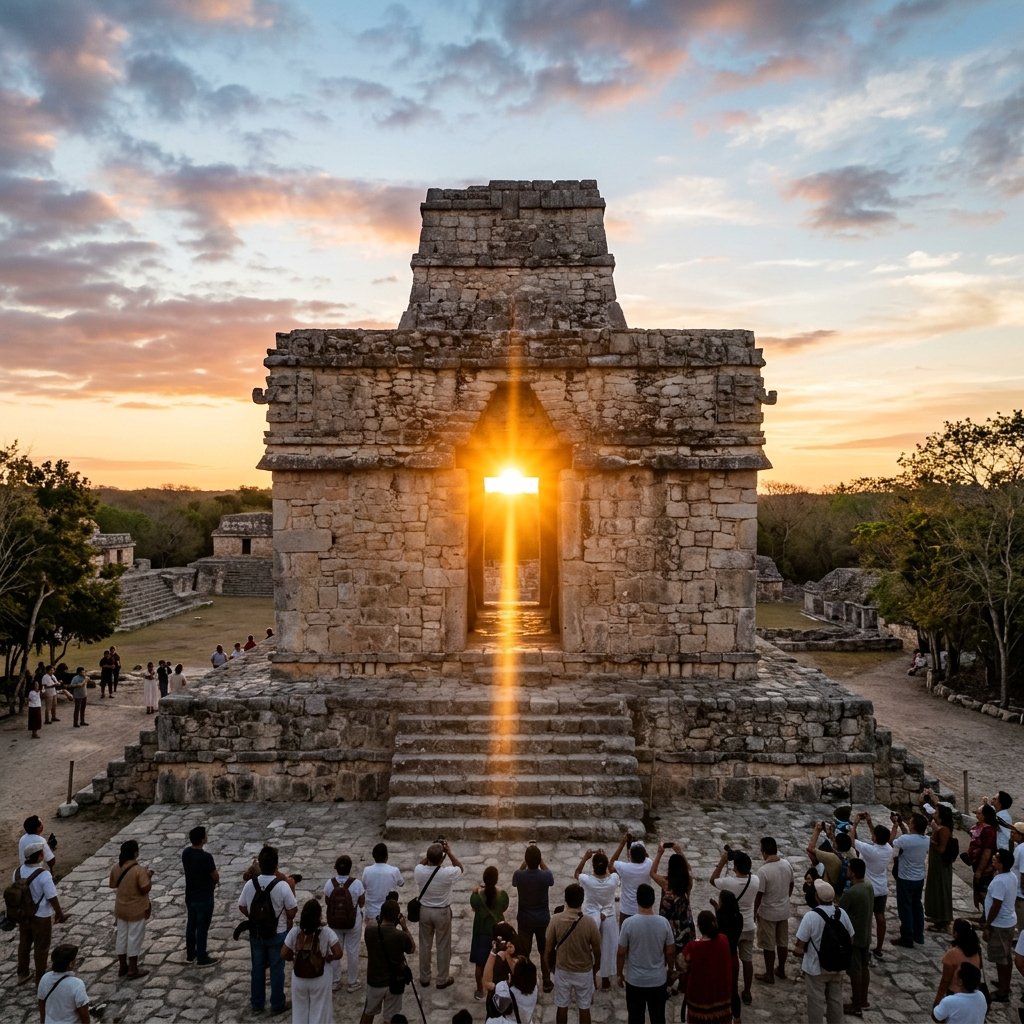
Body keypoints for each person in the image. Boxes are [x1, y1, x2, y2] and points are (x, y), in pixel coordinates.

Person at [238, 845, 298, 1014]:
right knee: (277, 969)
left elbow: (241, 905)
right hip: (277, 933)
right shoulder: (282, 886)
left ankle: (257, 1003)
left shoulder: (250, 884)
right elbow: (292, 910)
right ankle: (277, 1004)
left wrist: (254, 917)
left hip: (256, 933)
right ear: (276, 865)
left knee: (257, 968)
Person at [794, 879, 854, 1024]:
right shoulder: (842, 913)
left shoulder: (811, 916)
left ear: (817, 897)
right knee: (835, 1000)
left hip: (816, 967)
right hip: (837, 965)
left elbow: (799, 946)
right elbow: (850, 939)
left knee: (816, 1003)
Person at [616, 883, 674, 1024]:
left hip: (635, 980)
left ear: (637, 900)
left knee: (635, 1018)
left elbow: (621, 952)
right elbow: (670, 951)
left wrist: (619, 973)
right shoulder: (663, 923)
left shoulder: (628, 924)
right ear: (653, 900)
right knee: (658, 1017)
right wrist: (670, 971)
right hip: (658, 979)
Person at [545, 883, 601, 1024]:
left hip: (563, 969)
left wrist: (549, 967)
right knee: (584, 1007)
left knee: (562, 1006)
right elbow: (597, 949)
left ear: (566, 899)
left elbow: (548, 948)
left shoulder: (556, 919)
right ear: (582, 901)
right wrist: (596, 967)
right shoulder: (589, 923)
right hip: (583, 970)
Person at [710, 846, 759, 1006]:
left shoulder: (728, 882)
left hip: (731, 926)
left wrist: (723, 861)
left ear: (735, 867)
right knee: (747, 959)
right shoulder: (755, 880)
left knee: (729, 958)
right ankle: (747, 991)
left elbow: (713, 879)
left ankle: (728, 987)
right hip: (748, 925)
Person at [413, 838, 463, 988]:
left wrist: (432, 855)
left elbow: (421, 864)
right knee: (443, 946)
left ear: (428, 857)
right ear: (441, 858)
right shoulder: (447, 873)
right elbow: (460, 867)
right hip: (441, 912)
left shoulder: (419, 870)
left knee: (425, 945)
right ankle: (441, 979)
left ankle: (424, 977)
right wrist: (449, 852)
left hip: (425, 911)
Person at [15, 838, 66, 985]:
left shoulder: (17, 872)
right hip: (41, 915)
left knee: (24, 943)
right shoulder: (43, 875)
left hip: (24, 915)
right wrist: (59, 913)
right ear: (39, 856)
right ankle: (40, 978)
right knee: (41, 946)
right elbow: (52, 897)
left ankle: (22, 973)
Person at [283, 899, 342, 1024]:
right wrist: (329, 958)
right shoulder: (326, 932)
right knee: (320, 1012)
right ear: (319, 916)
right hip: (320, 977)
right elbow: (338, 953)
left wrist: (293, 958)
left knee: (299, 1012)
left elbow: (283, 953)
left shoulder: (295, 931)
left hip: (299, 977)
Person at [360, 898, 415, 1024]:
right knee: (390, 1019)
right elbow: (412, 949)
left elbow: (376, 927)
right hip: (394, 982)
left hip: (375, 980)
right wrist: (405, 928)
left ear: (382, 914)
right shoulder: (400, 936)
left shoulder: (369, 931)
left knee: (368, 1013)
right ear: (397, 917)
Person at [575, 846, 619, 991]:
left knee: (590, 948)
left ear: (593, 866)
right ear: (605, 866)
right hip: (609, 916)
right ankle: (605, 979)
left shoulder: (588, 880)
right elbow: (612, 871)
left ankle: (592, 977)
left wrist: (586, 857)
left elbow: (577, 872)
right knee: (607, 947)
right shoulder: (613, 880)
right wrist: (605, 859)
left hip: (591, 916)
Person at [513, 843, 555, 992]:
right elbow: (550, 877)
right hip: (542, 919)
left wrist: (526, 860)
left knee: (524, 952)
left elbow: (515, 877)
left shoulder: (519, 875)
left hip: (525, 919)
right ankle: (547, 979)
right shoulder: (545, 876)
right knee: (544, 950)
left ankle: (527, 980)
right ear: (539, 861)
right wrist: (540, 860)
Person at [678, 909, 733, 1024]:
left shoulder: (692, 948)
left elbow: (682, 965)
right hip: (721, 997)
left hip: (700, 999)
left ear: (699, 927)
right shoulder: (724, 940)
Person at [850, 812, 893, 957]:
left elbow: (851, 841)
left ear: (875, 837)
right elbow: (878, 837)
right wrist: (869, 822)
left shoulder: (870, 851)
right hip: (882, 888)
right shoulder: (888, 849)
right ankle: (879, 947)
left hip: (868, 889)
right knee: (880, 918)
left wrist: (855, 823)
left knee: (865, 919)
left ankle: (863, 945)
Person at [109, 839, 153, 980]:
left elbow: (113, 885)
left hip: (121, 908)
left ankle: (122, 966)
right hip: (136, 909)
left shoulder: (116, 868)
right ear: (135, 853)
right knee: (134, 937)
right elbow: (145, 888)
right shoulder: (138, 870)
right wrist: (148, 876)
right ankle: (133, 969)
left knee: (121, 936)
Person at [752, 835, 793, 985]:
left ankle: (769, 973)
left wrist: (754, 912)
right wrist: (785, 898)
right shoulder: (787, 864)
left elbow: (759, 895)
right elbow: (791, 884)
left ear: (763, 852)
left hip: (768, 912)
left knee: (768, 944)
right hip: (783, 910)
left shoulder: (763, 871)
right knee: (782, 942)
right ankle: (781, 969)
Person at [323, 854, 365, 993]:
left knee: (335, 949)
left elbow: (327, 901)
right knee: (352, 950)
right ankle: (352, 982)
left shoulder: (330, 884)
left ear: (336, 868)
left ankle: (335, 981)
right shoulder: (357, 884)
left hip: (335, 922)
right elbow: (362, 902)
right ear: (350, 868)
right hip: (353, 921)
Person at [839, 858, 873, 1017]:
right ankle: (863, 999)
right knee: (864, 968)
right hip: (865, 934)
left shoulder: (852, 892)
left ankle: (856, 1004)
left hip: (854, 937)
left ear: (852, 871)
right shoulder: (868, 886)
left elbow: (840, 912)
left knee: (855, 972)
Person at [890, 811, 929, 948]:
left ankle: (907, 938)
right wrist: (900, 823)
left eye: (910, 821)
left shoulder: (904, 840)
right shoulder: (926, 840)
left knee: (905, 908)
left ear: (913, 825)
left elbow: (892, 844)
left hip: (905, 878)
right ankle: (919, 935)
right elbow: (909, 835)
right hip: (919, 878)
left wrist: (895, 826)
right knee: (917, 906)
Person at [182, 824, 219, 967]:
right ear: (203, 839)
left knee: (191, 924)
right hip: (204, 895)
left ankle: (191, 954)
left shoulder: (186, 853)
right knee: (203, 926)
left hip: (190, 895)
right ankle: (202, 956)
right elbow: (214, 876)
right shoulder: (206, 857)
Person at [982, 849, 1016, 1002]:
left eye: (996, 858)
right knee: (1006, 956)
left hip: (1000, 924)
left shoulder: (1000, 881)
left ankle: (1003, 991)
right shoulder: (1010, 876)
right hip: (1008, 921)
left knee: (1001, 958)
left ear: (1001, 864)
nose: (993, 859)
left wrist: (988, 925)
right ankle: (1004, 983)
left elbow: (996, 905)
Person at [470, 865, 509, 1000]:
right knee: (498, 962)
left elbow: (474, 907)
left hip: (481, 932)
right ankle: (497, 987)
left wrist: (477, 890)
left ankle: (480, 990)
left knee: (479, 964)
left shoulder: (476, 896)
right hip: (496, 933)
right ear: (496, 880)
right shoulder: (502, 895)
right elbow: (503, 908)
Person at [650, 841, 694, 958]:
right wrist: (679, 851)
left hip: (670, 927)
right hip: (686, 925)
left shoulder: (666, 884)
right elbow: (688, 869)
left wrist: (659, 853)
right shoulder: (688, 882)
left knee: (668, 956)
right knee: (685, 959)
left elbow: (652, 872)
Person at [933, 918, 982, 1006]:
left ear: (956, 933)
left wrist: (938, 1000)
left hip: (955, 993)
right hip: (972, 993)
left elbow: (945, 980)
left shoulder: (952, 954)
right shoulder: (977, 951)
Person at [37, 943, 90, 1024]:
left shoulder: (45, 978)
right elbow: (84, 1015)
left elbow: (41, 1005)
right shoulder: (77, 984)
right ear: (70, 964)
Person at [924, 800, 955, 932]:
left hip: (941, 864)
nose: (934, 814)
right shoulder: (939, 826)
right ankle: (936, 916)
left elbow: (941, 848)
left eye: (936, 812)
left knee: (941, 889)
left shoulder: (943, 829)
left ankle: (943, 920)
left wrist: (930, 839)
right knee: (935, 888)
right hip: (935, 863)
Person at [612, 833, 654, 925]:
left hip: (627, 910)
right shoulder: (649, 864)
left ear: (630, 855)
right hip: (644, 909)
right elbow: (646, 856)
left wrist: (622, 844)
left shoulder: (624, 868)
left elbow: (611, 864)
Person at [966, 803, 999, 910]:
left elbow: (987, 852)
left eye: (979, 813)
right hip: (976, 864)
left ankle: (987, 916)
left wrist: (980, 870)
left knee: (983, 892)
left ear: (985, 816)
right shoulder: (979, 826)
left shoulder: (989, 831)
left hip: (985, 867)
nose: (977, 815)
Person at [362, 842, 404, 924]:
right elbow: (401, 883)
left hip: (371, 913)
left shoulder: (367, 871)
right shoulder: (394, 871)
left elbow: (363, 887)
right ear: (387, 856)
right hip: (389, 914)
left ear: (373, 856)